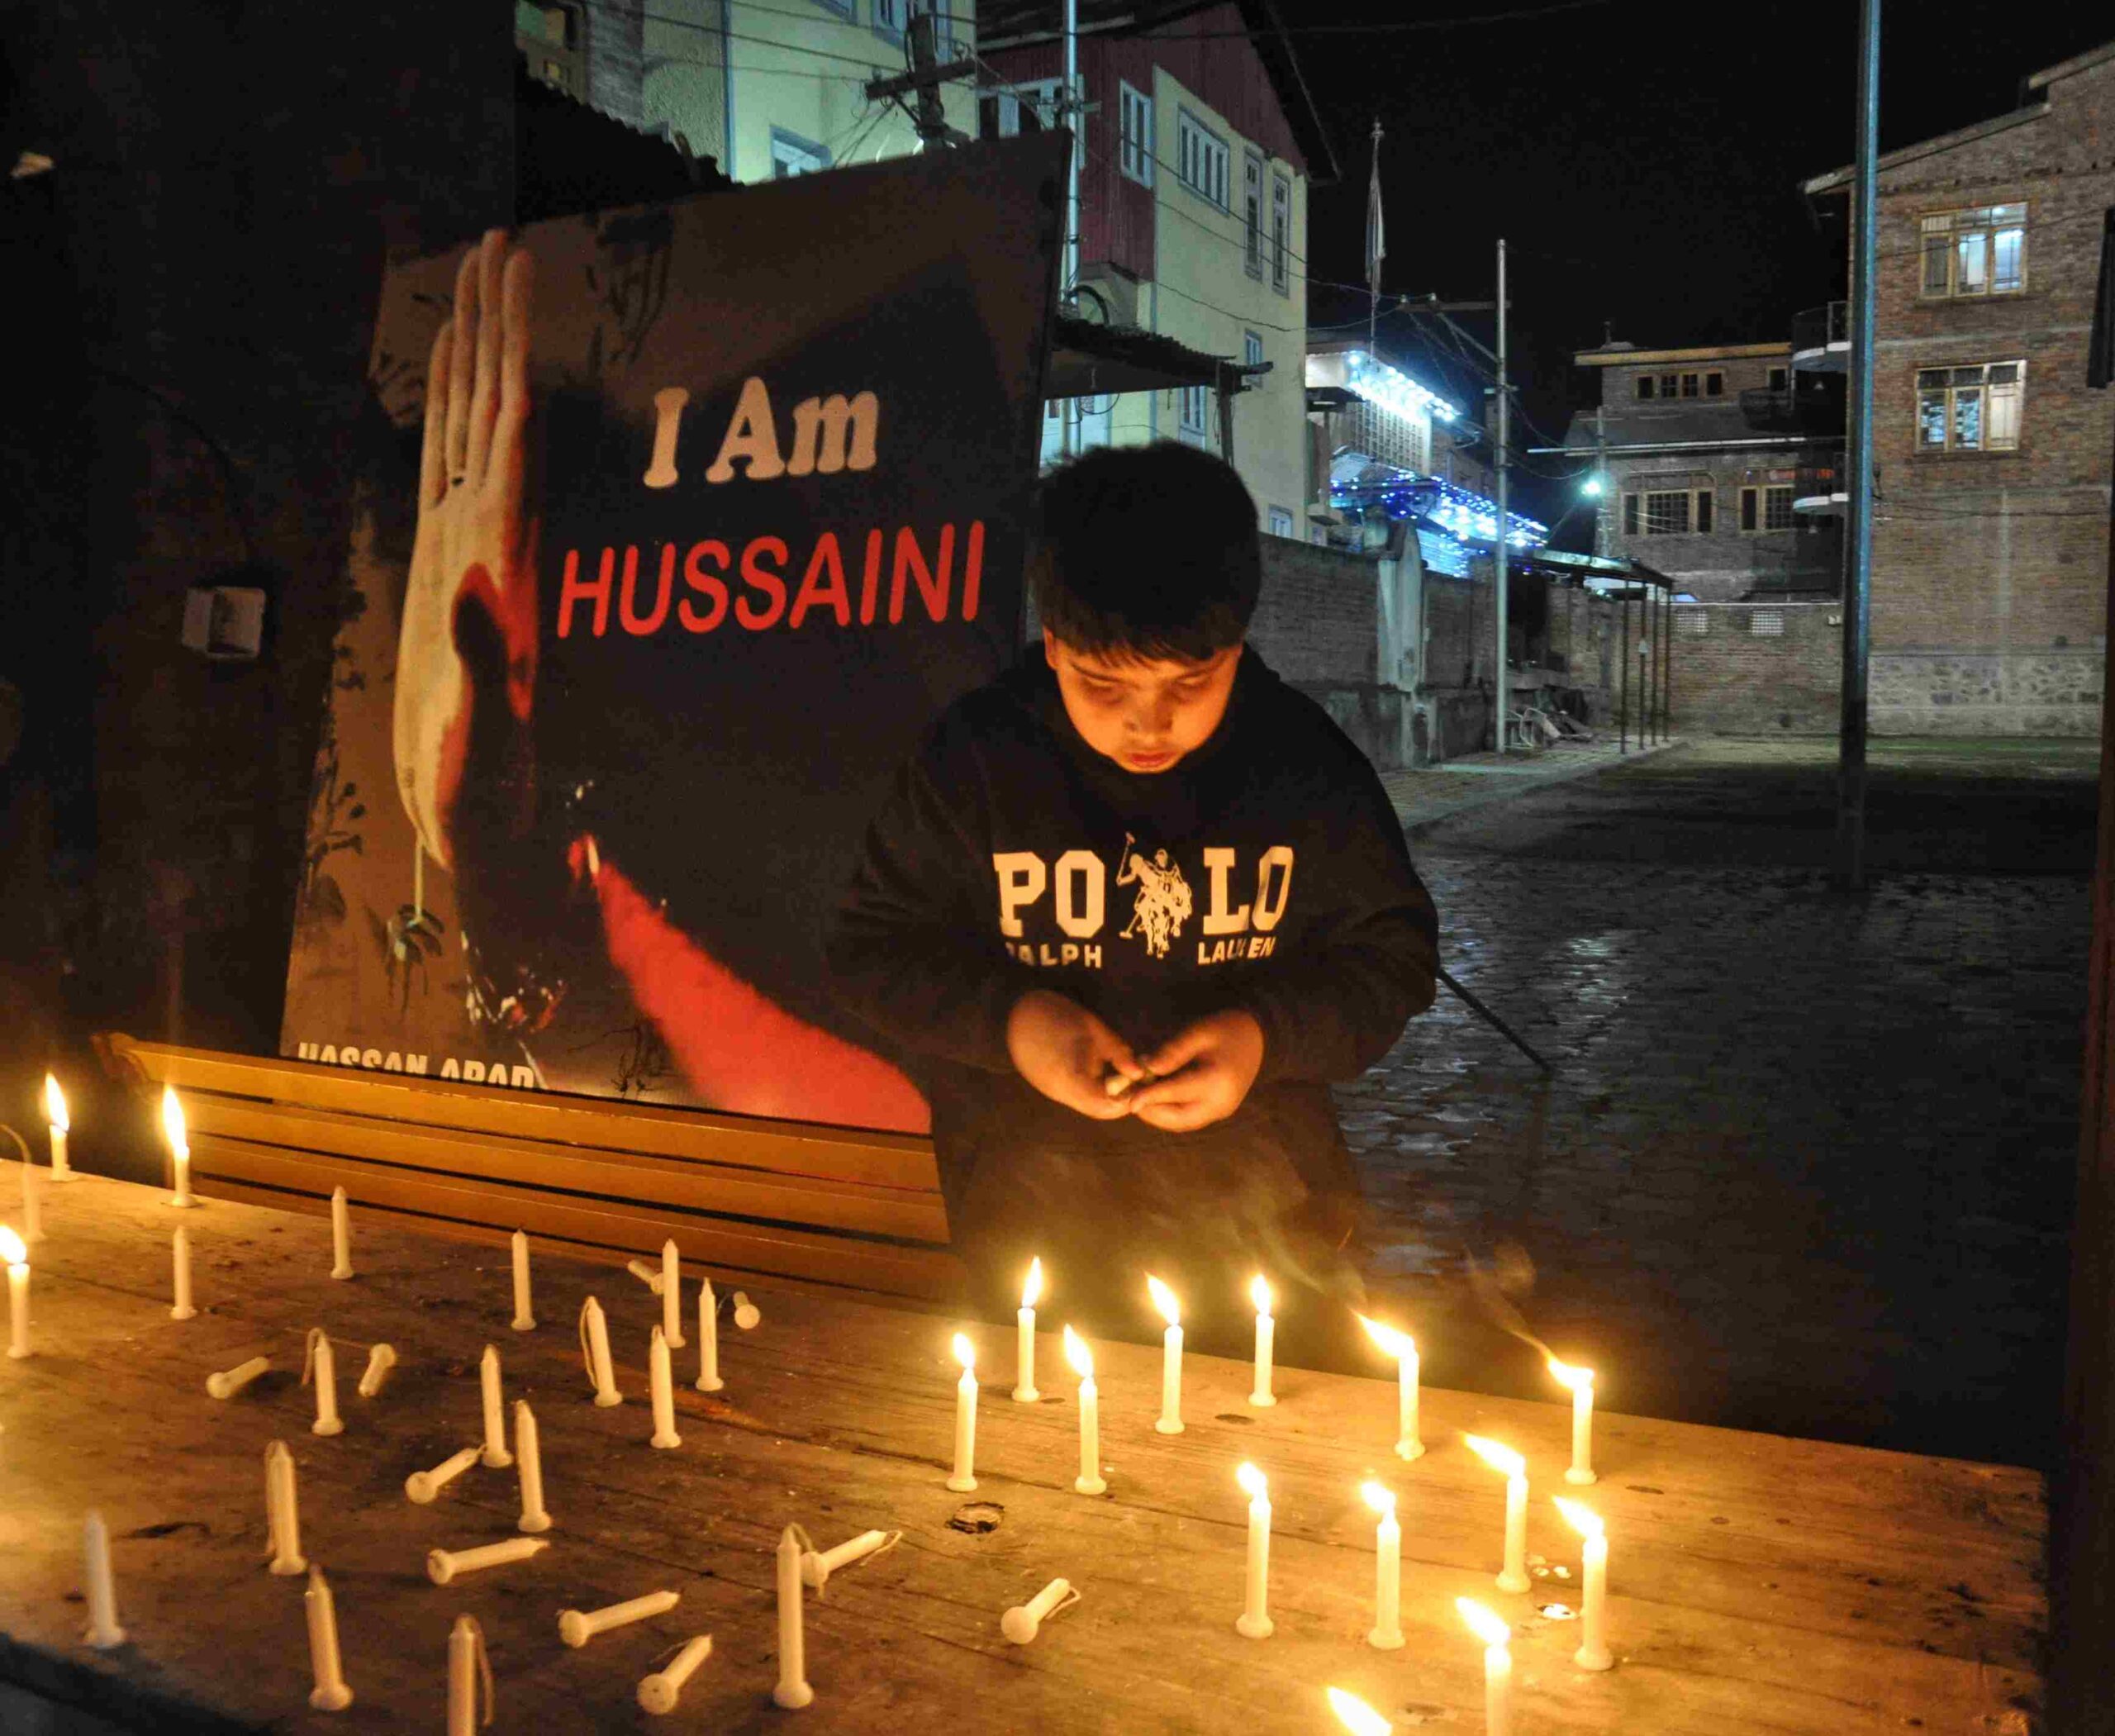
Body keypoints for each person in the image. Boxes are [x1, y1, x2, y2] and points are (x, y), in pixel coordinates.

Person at [826, 443, 1438, 1363]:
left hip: (1273, 1218)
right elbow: (871, 949)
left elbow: (1391, 958)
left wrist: (1260, 1037)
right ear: (1053, 642)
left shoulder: (1300, 767)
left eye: (1189, 686)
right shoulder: (976, 763)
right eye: (1101, 685)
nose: (1146, 725)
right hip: (1030, 1215)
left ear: (1236, 645)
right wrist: (1015, 1024)